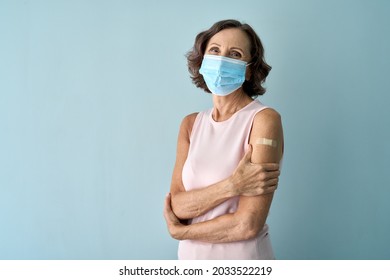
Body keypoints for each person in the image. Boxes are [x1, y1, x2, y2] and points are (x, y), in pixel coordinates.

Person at [163, 19, 284, 260]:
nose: (221, 61)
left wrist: (183, 231)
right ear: (203, 58)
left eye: (235, 54)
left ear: (249, 68)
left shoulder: (264, 120)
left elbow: (247, 223)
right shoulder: (190, 124)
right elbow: (177, 206)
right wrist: (233, 185)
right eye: (215, 50)